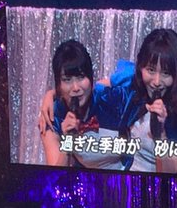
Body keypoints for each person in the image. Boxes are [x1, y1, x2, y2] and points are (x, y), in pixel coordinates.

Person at [41, 30, 177, 174]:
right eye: (151, 70)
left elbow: (169, 174)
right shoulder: (133, 91)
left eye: (165, 73)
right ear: (141, 68)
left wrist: (160, 133)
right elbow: (95, 85)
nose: (156, 81)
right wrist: (53, 95)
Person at [40, 39, 123, 169]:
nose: (75, 88)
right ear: (58, 84)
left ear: (90, 78)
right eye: (67, 80)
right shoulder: (52, 117)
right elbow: (56, 175)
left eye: (81, 77)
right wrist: (67, 141)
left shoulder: (106, 97)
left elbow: (135, 75)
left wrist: (51, 93)